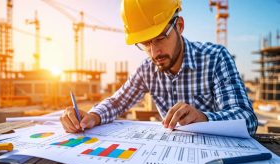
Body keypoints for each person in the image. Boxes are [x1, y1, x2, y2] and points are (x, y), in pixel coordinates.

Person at [60, 0, 258, 135]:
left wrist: (204, 118)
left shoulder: (215, 58)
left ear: (179, 26)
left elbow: (247, 120)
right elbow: (117, 102)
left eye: (160, 38)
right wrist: (93, 116)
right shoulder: (148, 69)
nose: (155, 53)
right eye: (146, 44)